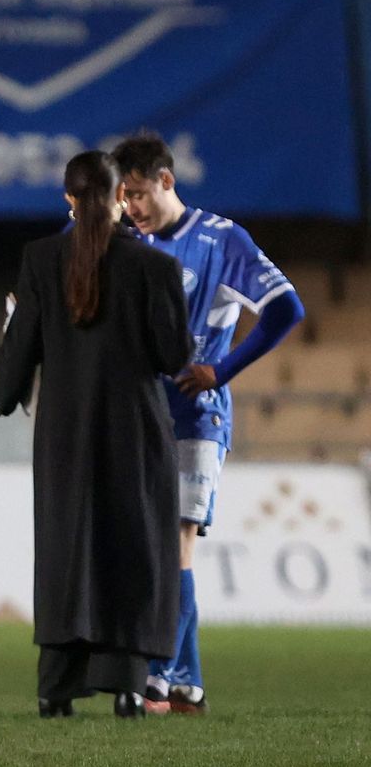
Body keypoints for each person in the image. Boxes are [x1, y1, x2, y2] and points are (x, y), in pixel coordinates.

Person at [0, 150, 193, 718]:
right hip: (135, 431)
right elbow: (173, 355)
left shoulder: (39, 259)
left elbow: (19, 353)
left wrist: (4, 394)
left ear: (69, 201)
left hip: (64, 437)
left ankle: (56, 690)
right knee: (131, 552)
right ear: (120, 201)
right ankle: (128, 686)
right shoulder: (155, 268)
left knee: (66, 552)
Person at [110, 133, 306, 714]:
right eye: (125, 197)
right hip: (142, 415)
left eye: (140, 194)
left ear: (166, 181)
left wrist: (220, 371)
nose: (133, 207)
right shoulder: (126, 240)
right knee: (155, 550)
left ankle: (157, 678)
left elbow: (285, 310)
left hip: (197, 415)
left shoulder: (220, 241)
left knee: (175, 546)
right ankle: (187, 684)